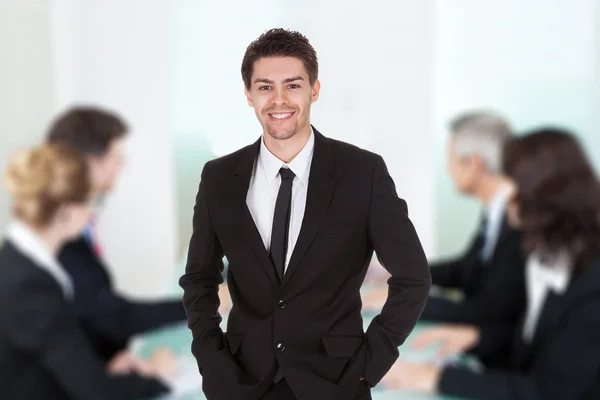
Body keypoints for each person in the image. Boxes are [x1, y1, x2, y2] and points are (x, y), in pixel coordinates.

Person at [179, 28, 431, 400]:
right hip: (242, 383)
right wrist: (212, 362)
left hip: (337, 383)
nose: (279, 100)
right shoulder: (218, 178)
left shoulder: (362, 173)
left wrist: (367, 369)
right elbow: (199, 279)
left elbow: (413, 278)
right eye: (265, 87)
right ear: (248, 94)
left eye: (293, 85)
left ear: (314, 89)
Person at [383, 128, 600, 399]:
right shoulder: (548, 257)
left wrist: (438, 378)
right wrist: (478, 339)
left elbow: (549, 391)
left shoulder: (590, 287)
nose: (505, 195)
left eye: (512, 184)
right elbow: (536, 342)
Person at [0, 143, 175, 400]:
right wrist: (155, 375)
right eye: (89, 203)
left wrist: (100, 371)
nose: (92, 212)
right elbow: (98, 394)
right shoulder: (28, 286)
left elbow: (46, 360)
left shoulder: (19, 262)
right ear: (68, 213)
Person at [46, 107, 187, 362]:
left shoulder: (76, 225)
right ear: (92, 164)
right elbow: (112, 316)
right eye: (117, 158)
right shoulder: (60, 236)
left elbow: (96, 312)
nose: (121, 168)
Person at [420, 111, 526, 324]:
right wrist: (406, 275)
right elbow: (465, 270)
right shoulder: (495, 210)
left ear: (474, 163)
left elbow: (490, 311)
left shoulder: (518, 219)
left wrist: (402, 302)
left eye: (450, 158)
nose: (448, 169)